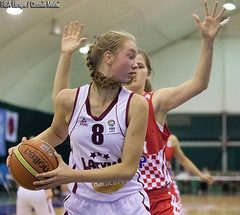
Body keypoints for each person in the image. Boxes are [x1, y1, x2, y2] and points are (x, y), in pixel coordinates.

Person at [51, 1, 228, 214]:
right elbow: (63, 103)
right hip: (114, 194)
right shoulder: (104, 102)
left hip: (155, 194)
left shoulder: (154, 101)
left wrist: (207, 42)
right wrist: (66, 55)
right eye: (131, 60)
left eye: (141, 65)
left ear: (148, 73)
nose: (135, 67)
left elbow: (199, 84)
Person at [7, 28, 150, 215]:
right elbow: (57, 133)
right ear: (108, 57)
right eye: (130, 57)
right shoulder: (70, 99)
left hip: (126, 204)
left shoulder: (137, 104)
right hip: (81, 205)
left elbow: (127, 169)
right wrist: (21, 150)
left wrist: (71, 175)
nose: (135, 65)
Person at [165, 134, 214, 214]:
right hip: (146, 184)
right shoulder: (144, 137)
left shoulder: (172, 140)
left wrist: (200, 175)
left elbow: (183, 160)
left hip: (168, 184)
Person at [15, 136, 56, 215]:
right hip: (40, 190)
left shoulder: (22, 154)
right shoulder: (42, 154)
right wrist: (49, 190)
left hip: (22, 190)